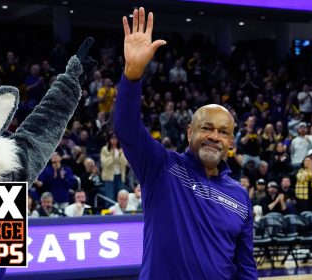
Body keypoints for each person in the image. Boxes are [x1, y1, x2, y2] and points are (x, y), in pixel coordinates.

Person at [114, 7, 256, 279]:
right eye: (207, 128)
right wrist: (132, 74)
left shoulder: (239, 196)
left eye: (224, 132)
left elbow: (245, 267)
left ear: (230, 140)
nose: (215, 136)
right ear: (190, 131)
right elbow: (127, 129)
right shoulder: (161, 167)